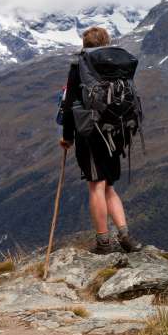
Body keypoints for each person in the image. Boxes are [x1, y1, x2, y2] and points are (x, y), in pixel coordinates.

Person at [59, 26, 143, 254]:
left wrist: (67, 137)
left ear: (85, 44)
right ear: (107, 42)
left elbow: (70, 105)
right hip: (116, 132)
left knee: (96, 186)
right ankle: (125, 237)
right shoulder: (117, 65)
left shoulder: (80, 65)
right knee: (109, 187)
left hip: (91, 134)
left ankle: (103, 242)